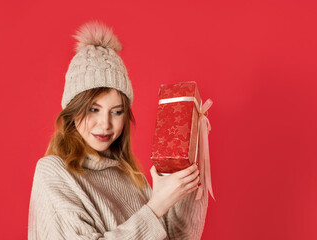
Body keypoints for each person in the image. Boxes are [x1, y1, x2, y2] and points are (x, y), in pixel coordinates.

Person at [28, 21, 208, 240]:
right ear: (72, 111)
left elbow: (176, 237)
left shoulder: (132, 177)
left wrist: (187, 179)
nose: (105, 124)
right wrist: (157, 205)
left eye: (117, 112)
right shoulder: (53, 172)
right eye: (94, 109)